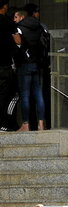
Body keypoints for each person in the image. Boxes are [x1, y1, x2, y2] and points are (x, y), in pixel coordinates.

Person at [12, 8, 45, 131]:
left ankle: (26, 123)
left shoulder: (19, 28)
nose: (14, 20)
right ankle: (41, 123)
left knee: (25, 94)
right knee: (38, 94)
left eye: (15, 17)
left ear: (21, 17)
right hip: (37, 63)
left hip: (24, 64)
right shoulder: (38, 26)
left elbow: (18, 45)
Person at [0, 1, 18, 132]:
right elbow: (17, 41)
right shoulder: (8, 23)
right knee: (6, 96)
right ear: (4, 7)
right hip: (5, 65)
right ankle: (5, 123)